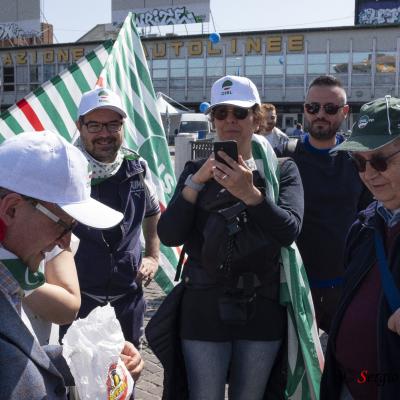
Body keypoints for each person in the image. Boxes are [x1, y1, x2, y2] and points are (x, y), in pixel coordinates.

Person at [156, 75, 304, 399]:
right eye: (221, 113)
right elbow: (168, 235)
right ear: (213, 120)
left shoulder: (282, 169)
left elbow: (289, 230)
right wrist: (195, 183)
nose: (230, 121)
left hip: (261, 304)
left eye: (239, 113)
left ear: (257, 118)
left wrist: (250, 194)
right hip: (204, 304)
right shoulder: (197, 169)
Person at [0, 130, 143, 399]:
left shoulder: (9, 274)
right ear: (11, 209)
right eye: (63, 225)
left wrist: (97, 359)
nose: (65, 244)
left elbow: (23, 356)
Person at [59, 87, 161, 347]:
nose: (104, 133)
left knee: (126, 380)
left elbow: (152, 211)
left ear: (122, 126)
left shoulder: (137, 167)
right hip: (78, 303)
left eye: (113, 124)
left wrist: (152, 255)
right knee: (75, 383)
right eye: (94, 125)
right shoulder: (64, 170)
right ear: (79, 126)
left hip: (127, 301)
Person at [275, 75, 372, 333]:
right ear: (305, 109)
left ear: (345, 112)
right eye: (313, 107)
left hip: (347, 284)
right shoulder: (285, 156)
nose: (320, 114)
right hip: (293, 284)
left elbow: (370, 219)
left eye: (330, 109)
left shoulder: (359, 160)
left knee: (345, 365)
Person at [320, 96, 400, 400]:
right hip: (349, 385)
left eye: (380, 161)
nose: (368, 173)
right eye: (359, 163)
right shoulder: (363, 226)